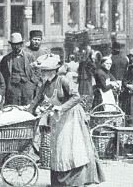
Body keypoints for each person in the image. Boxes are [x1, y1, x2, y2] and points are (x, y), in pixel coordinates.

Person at [28, 54, 104, 186]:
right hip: (59, 118)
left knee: (71, 147)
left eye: (45, 71)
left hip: (72, 116)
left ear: (52, 71)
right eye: (42, 71)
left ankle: (76, 179)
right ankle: (59, 180)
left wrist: (61, 107)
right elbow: (37, 99)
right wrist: (27, 111)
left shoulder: (63, 80)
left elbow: (76, 97)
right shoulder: (45, 85)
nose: (43, 74)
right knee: (58, 148)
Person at [0, 33, 35, 105]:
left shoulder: (29, 56)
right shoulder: (6, 59)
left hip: (27, 87)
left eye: (18, 44)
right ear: (11, 45)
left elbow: (37, 70)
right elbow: (1, 74)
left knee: (27, 108)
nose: (16, 47)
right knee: (14, 108)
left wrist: (32, 83)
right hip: (13, 88)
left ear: (21, 44)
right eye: (14, 45)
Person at [77, 45, 96, 111]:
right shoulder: (89, 60)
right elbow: (93, 68)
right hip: (87, 78)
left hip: (83, 78)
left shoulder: (82, 61)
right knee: (88, 93)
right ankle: (86, 107)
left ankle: (84, 107)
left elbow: (79, 70)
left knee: (83, 93)